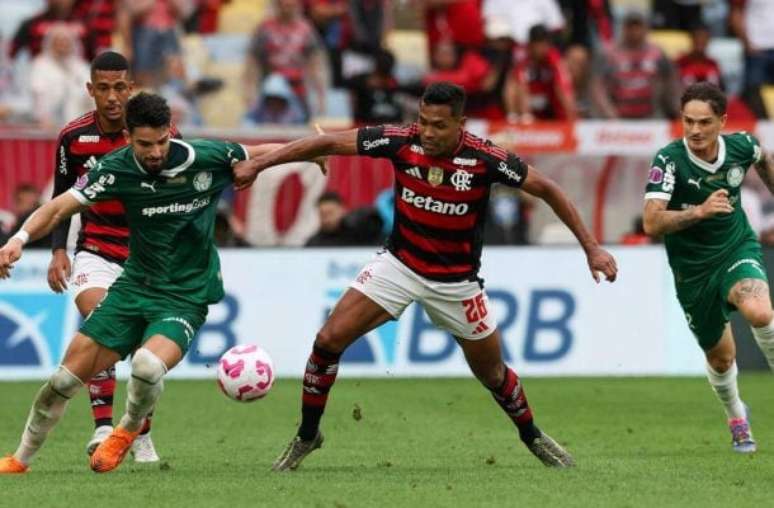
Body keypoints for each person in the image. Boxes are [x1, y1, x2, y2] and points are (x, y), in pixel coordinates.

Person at [234, 81, 618, 470]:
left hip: (457, 284)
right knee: (327, 341)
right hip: (399, 266)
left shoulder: (485, 158)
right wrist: (260, 164)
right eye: (423, 121)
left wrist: (592, 248)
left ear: (460, 125)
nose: (428, 132)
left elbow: (547, 188)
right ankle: (308, 435)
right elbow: (330, 142)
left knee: (493, 374)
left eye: (438, 125)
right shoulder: (401, 141)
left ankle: (531, 434)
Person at [0, 92, 304, 474]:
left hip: (184, 297)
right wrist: (19, 239)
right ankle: (20, 459)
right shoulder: (115, 169)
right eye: (145, 144)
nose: (156, 152)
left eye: (162, 141)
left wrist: (311, 153)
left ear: (169, 133)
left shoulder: (202, 157)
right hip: (133, 288)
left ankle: (127, 430)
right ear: (128, 137)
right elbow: (59, 206)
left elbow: (263, 152)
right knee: (61, 382)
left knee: (145, 366)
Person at [46, 51, 179, 463]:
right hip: (96, 250)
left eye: (119, 87)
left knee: (144, 350)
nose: (112, 97)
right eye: (103, 88)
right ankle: (103, 427)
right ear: (90, 89)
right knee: (103, 324)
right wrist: (58, 249)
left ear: (131, 88)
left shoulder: (157, 134)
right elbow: (61, 198)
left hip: (147, 256)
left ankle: (139, 431)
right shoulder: (73, 138)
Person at [642, 82, 774, 453]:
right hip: (692, 268)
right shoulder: (669, 160)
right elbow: (651, 223)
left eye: (704, 122)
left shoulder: (741, 145)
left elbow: (762, 158)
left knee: (760, 311)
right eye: (688, 121)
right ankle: (737, 416)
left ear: (722, 122)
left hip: (735, 247)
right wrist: (699, 211)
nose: (695, 130)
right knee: (721, 357)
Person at [504, 24, 576, 123]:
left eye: (544, 44)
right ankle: (517, 118)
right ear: (531, 44)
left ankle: (569, 120)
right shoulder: (521, 55)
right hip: (528, 102)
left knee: (564, 81)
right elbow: (520, 84)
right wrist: (526, 114)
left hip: (548, 102)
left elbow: (563, 86)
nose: (542, 49)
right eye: (538, 44)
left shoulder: (554, 57)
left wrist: (571, 116)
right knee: (512, 80)